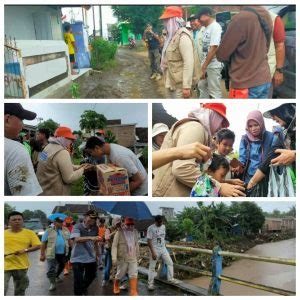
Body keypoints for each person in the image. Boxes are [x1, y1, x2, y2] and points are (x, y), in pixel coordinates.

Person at [152, 103, 246, 197]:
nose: (221, 127)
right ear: (213, 116)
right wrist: (219, 187)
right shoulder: (196, 128)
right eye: (221, 122)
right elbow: (182, 169)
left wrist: (226, 182)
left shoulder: (202, 132)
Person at [216, 6, 273, 99]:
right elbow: (266, 46)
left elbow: (221, 55)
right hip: (264, 78)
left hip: (245, 82)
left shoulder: (240, 18)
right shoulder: (265, 13)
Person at [247, 104, 296, 190]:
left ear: (285, 110)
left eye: (273, 113)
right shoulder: (283, 135)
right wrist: (252, 182)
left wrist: (295, 155)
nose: (272, 118)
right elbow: (270, 157)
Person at [234, 110, 282, 196]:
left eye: (256, 125)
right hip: (249, 177)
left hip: (265, 176)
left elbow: (272, 157)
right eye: (250, 126)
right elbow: (242, 158)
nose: (253, 129)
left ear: (261, 123)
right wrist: (237, 166)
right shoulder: (245, 139)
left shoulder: (271, 137)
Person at [159, 6, 200, 98]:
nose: (164, 23)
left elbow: (189, 62)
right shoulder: (172, 37)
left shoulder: (183, 37)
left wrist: (186, 87)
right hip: (171, 81)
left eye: (166, 20)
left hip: (180, 86)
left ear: (172, 21)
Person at [36, 126, 90, 195]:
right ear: (63, 138)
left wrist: (78, 167)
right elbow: (69, 178)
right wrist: (83, 170)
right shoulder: (62, 152)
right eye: (70, 139)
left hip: (43, 190)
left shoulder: (47, 148)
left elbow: (53, 165)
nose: (71, 142)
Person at [4, 103, 42, 196]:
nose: (23, 126)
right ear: (7, 119)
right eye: (21, 120)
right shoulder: (16, 149)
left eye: (39, 134)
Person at [4, 211, 41, 295]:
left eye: (19, 219)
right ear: (9, 221)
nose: (17, 221)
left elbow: (38, 245)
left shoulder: (30, 233)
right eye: (14, 220)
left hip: (21, 266)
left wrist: (25, 250)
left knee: (20, 290)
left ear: (22, 221)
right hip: (4, 266)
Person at [70, 210, 100, 295]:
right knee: (78, 280)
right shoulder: (77, 226)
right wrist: (91, 238)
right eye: (91, 218)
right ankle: (79, 293)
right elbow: (76, 239)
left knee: (92, 276)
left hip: (90, 257)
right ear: (85, 217)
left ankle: (83, 288)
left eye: (94, 219)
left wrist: (98, 254)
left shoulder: (95, 228)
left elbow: (95, 242)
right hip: (77, 258)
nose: (92, 220)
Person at [197, 7, 223, 99]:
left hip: (213, 65)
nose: (199, 21)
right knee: (202, 87)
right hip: (205, 64)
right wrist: (203, 66)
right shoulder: (206, 28)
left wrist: (204, 66)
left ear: (207, 15)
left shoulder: (215, 27)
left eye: (200, 18)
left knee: (214, 92)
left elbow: (214, 47)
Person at [147, 215, 178, 290]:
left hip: (163, 248)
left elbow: (162, 238)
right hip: (155, 249)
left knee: (170, 262)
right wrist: (153, 252)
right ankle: (150, 284)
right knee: (152, 267)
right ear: (156, 221)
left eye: (162, 221)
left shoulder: (163, 227)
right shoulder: (151, 228)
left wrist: (164, 246)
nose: (161, 223)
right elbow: (149, 241)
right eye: (159, 222)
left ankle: (170, 279)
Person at [40, 217, 71, 291]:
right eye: (59, 222)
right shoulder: (49, 231)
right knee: (51, 268)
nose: (61, 223)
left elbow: (69, 240)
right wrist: (42, 254)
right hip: (51, 253)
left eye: (62, 222)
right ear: (54, 222)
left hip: (63, 252)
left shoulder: (66, 230)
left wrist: (72, 250)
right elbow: (43, 243)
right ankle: (52, 283)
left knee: (62, 265)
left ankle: (56, 276)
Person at [112, 217, 140, 296]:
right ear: (124, 224)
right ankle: (116, 285)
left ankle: (133, 291)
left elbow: (136, 243)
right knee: (120, 274)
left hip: (133, 257)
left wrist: (138, 254)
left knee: (133, 273)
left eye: (132, 224)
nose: (130, 226)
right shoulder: (119, 232)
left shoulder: (135, 232)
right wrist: (114, 258)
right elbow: (114, 246)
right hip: (123, 257)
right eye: (128, 224)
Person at [267, 12, 286, 97]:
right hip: (244, 75)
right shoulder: (240, 17)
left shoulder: (273, 18)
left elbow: (280, 45)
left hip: (266, 74)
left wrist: (279, 71)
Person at [102, 217, 122, 287]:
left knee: (118, 266)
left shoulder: (121, 230)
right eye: (117, 224)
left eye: (119, 224)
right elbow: (106, 237)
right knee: (108, 265)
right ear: (113, 223)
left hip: (118, 250)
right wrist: (115, 232)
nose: (118, 225)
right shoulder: (109, 229)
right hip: (110, 249)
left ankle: (112, 277)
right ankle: (105, 279)